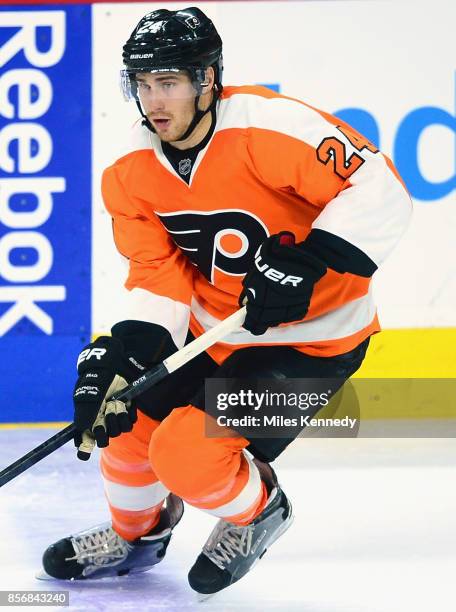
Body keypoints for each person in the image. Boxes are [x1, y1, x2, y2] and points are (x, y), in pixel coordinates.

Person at [41, 7, 412, 595]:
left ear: (207, 80)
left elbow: (379, 187)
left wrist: (308, 259)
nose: (153, 100)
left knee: (185, 456)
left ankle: (259, 509)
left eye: (169, 82)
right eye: (142, 84)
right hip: (215, 332)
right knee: (127, 421)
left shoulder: (271, 128)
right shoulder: (132, 173)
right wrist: (121, 356)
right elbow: (157, 275)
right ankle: (137, 536)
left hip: (314, 343)